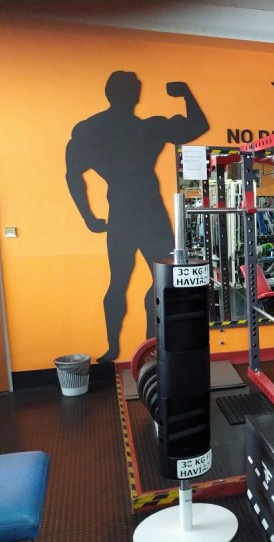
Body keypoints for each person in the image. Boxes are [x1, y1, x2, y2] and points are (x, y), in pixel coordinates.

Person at [65, 71, 208, 363]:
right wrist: (185, 93)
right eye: (135, 89)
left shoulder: (93, 129)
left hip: (127, 213)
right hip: (146, 213)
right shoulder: (145, 129)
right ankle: (134, 347)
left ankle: (131, 347)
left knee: (139, 281)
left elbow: (73, 174)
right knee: (138, 281)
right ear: (134, 94)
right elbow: (197, 124)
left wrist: (89, 217)